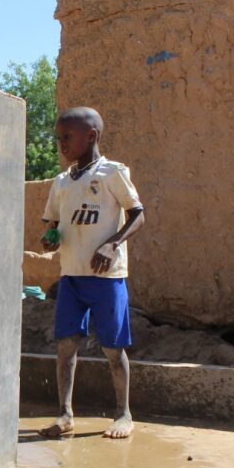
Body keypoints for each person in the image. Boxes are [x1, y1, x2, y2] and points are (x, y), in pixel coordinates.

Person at [38, 107, 145, 440]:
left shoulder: (112, 173)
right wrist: (50, 238)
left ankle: (123, 414)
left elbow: (138, 215)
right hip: (71, 276)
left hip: (106, 278)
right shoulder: (61, 183)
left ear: (91, 136)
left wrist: (113, 244)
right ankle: (65, 414)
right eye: (58, 138)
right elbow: (53, 224)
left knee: (113, 348)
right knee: (66, 345)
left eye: (67, 137)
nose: (61, 144)